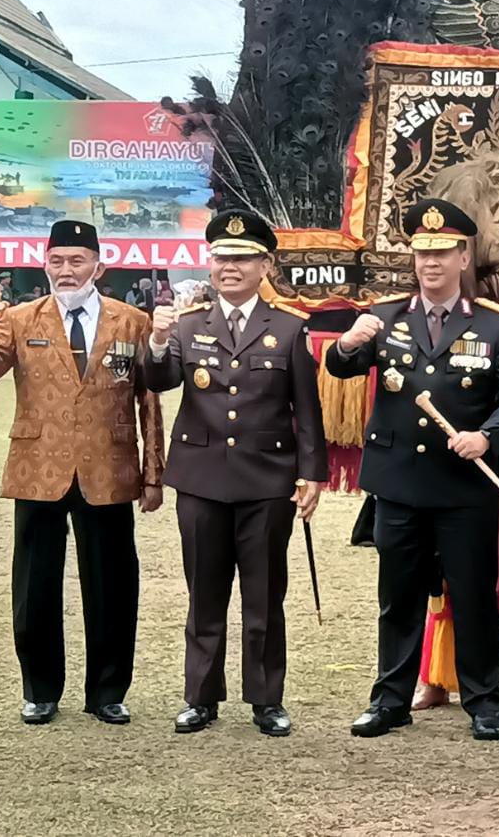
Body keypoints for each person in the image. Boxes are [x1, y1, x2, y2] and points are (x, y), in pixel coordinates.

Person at [326, 197, 499, 742]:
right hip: (398, 482)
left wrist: (486, 436)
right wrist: (346, 343)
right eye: (422, 253)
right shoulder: (386, 317)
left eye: (442, 253)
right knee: (399, 598)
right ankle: (390, 700)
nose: (431, 263)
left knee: (472, 596)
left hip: (463, 486)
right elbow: (342, 367)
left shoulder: (493, 325)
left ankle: (484, 701)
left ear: (464, 258)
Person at [0, 220, 165, 726]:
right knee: (35, 583)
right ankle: (40, 689)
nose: (66, 270)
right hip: (38, 467)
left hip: (108, 468)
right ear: (45, 264)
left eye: (77, 261)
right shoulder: (20, 318)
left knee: (113, 584)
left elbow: (148, 400)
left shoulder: (132, 321)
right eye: (57, 261)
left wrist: (153, 473)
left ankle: (108, 692)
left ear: (98, 266)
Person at [144, 212, 327, 738]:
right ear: (210, 263)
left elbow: (306, 409)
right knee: (204, 595)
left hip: (267, 480)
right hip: (201, 479)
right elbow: (160, 379)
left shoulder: (289, 327)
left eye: (243, 258)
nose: (231, 267)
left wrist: (312, 473)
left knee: (264, 597)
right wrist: (156, 342)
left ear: (265, 265)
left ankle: (266, 700)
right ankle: (200, 698)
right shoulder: (186, 325)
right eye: (222, 257)